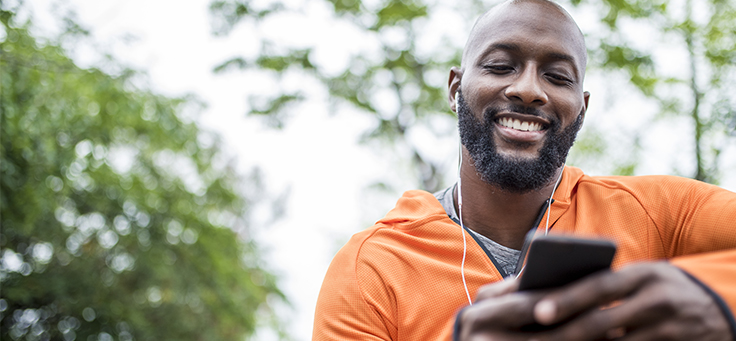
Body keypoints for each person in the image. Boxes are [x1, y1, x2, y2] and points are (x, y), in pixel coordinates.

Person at [312, 0, 736, 340]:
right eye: (500, 66)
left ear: (582, 109)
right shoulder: (370, 270)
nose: (529, 90)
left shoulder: (663, 215)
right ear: (456, 88)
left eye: (557, 76)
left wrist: (717, 300)